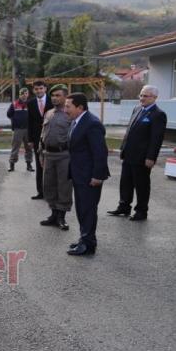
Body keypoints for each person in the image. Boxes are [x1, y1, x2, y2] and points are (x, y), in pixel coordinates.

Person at [107, 85, 167, 221]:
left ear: (155, 98)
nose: (142, 98)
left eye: (146, 96)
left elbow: (156, 139)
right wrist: (123, 149)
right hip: (129, 154)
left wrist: (151, 157)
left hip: (142, 157)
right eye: (141, 95)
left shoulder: (158, 114)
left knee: (141, 185)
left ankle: (141, 211)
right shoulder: (137, 109)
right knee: (125, 182)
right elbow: (130, 131)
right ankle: (124, 206)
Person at [65, 92, 109, 256]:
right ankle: (85, 238)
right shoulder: (77, 121)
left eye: (68, 106)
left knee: (88, 209)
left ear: (80, 107)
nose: (65, 109)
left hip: (90, 176)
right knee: (82, 209)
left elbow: (100, 153)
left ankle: (88, 245)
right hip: (79, 174)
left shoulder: (92, 124)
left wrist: (98, 176)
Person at [38, 84, 72, 231]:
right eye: (53, 95)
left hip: (64, 155)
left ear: (65, 97)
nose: (54, 98)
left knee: (63, 186)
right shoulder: (49, 113)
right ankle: (53, 214)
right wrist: (41, 152)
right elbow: (42, 134)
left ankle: (61, 217)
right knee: (49, 185)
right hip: (48, 155)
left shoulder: (70, 114)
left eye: (58, 95)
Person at [27, 80, 53, 199]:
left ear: (45, 89)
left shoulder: (52, 100)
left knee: (51, 166)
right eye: (36, 89)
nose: (39, 91)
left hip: (52, 137)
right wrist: (30, 140)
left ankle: (51, 192)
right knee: (39, 165)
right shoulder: (31, 103)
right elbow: (29, 122)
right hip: (37, 139)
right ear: (33, 90)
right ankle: (40, 192)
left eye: (41, 88)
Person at [7, 87, 33, 172]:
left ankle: (29, 165)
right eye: (22, 94)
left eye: (26, 93)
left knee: (29, 147)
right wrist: (15, 120)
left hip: (29, 129)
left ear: (28, 94)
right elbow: (9, 114)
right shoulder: (14, 104)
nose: (24, 95)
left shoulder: (31, 104)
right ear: (20, 94)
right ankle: (12, 165)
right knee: (15, 147)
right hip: (18, 129)